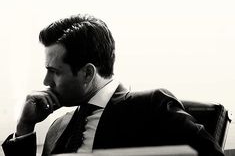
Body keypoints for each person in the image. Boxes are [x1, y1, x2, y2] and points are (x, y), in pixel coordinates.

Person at [2, 14, 224, 156]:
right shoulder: (57, 128)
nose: (46, 82)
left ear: (88, 72)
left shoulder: (149, 107)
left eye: (54, 72)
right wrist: (25, 126)